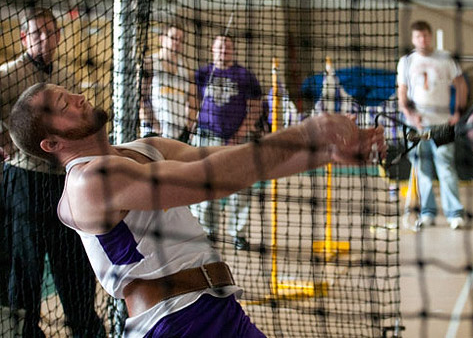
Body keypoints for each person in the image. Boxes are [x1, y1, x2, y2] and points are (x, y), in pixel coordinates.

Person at [8, 82, 387, 337]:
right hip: (174, 323)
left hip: (219, 308)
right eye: (64, 104)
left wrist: (324, 154)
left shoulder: (145, 148)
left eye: (70, 92)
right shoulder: (87, 182)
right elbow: (207, 180)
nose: (78, 97)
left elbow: (236, 162)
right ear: (52, 143)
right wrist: (306, 132)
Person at [0, 7, 105, 336]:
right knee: (24, 267)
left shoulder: (64, 78)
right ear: (24, 37)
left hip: (65, 182)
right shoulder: (8, 74)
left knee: (74, 263)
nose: (44, 39)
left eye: (50, 32)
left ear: (59, 35)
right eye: (37, 33)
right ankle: (25, 330)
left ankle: (84, 327)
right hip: (24, 181)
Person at [191, 35, 264, 250]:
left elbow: (255, 108)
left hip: (238, 140)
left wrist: (239, 135)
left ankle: (238, 234)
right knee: (205, 188)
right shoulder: (202, 74)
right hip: (207, 137)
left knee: (240, 188)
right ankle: (208, 232)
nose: (224, 50)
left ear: (233, 50)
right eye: (220, 46)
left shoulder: (245, 75)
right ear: (212, 48)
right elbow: (192, 103)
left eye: (228, 47)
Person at [397, 20, 468, 230]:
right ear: (413, 39)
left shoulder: (445, 58)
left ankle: (454, 213)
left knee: (445, 167)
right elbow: (402, 91)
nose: (422, 40)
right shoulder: (406, 62)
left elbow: (461, 85)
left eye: (425, 36)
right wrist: (410, 115)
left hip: (442, 124)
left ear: (431, 36)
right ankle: (427, 212)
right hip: (415, 126)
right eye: (418, 36)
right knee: (422, 169)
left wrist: (458, 112)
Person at [139, 24, 198, 141]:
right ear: (162, 39)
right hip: (154, 132)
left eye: (180, 40)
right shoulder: (149, 64)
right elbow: (140, 99)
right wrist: (154, 125)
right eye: (173, 38)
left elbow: (193, 102)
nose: (177, 42)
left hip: (179, 134)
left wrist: (189, 127)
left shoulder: (185, 68)